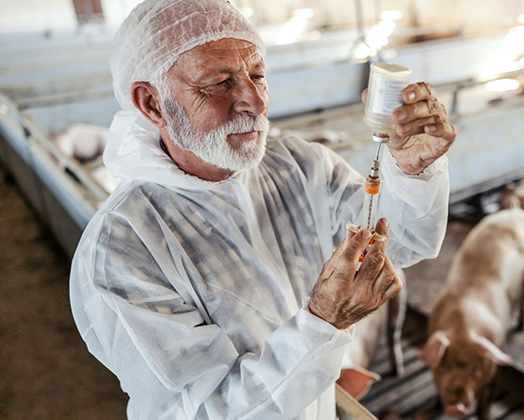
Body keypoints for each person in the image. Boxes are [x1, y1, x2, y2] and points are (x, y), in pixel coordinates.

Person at [69, 0, 455, 419]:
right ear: (152, 104)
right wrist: (323, 324)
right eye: (219, 82)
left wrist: (411, 173)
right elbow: (204, 412)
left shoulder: (296, 164)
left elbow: (399, 245)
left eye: (257, 75)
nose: (253, 101)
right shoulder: (124, 249)